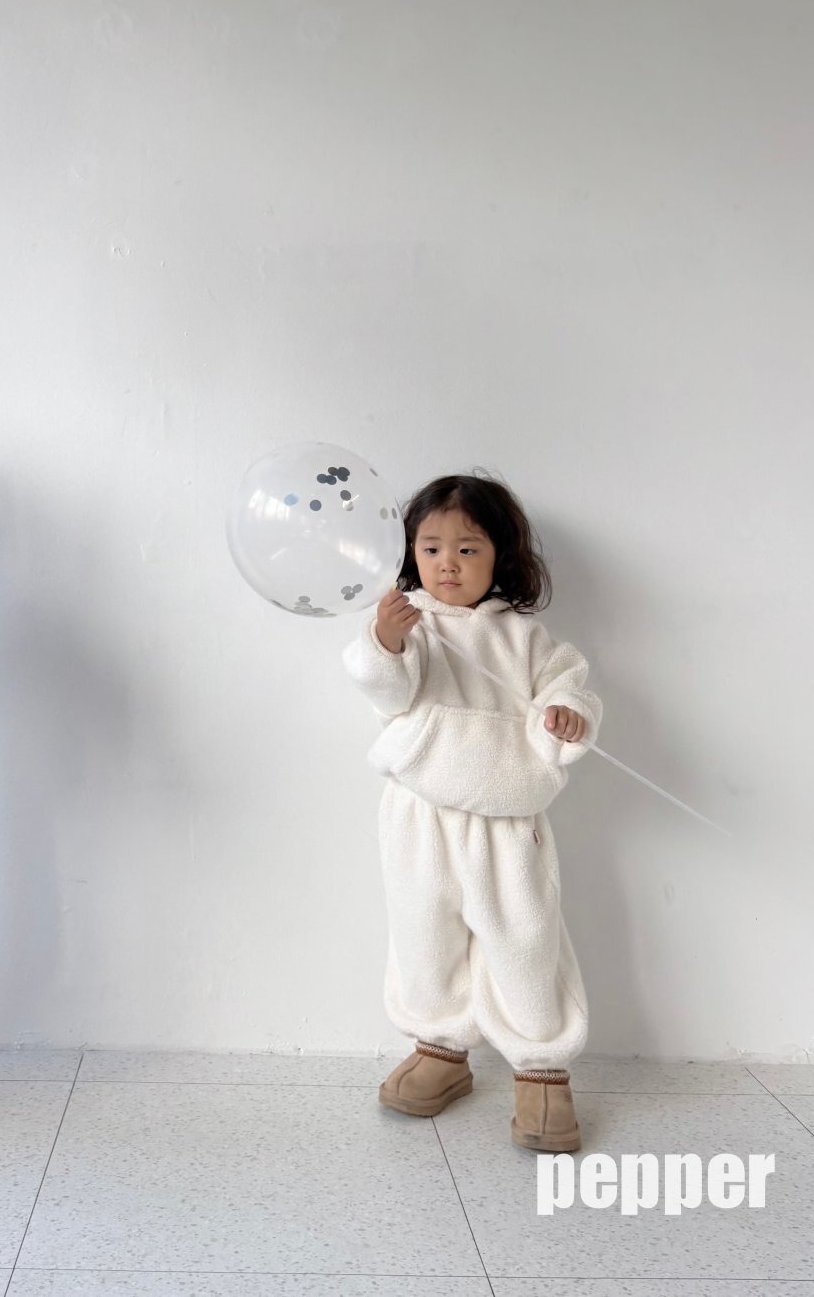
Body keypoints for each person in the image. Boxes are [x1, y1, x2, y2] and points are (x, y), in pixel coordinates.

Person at [343, 472, 600, 1153]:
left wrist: (566, 718)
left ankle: (541, 1066)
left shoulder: (524, 636)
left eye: (467, 548)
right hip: (420, 811)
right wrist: (384, 641)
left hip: (504, 818)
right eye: (431, 548)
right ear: (409, 553)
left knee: (523, 936)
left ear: (500, 556)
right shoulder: (410, 623)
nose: (447, 564)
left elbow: (568, 688)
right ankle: (440, 1047)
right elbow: (387, 693)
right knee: (423, 931)